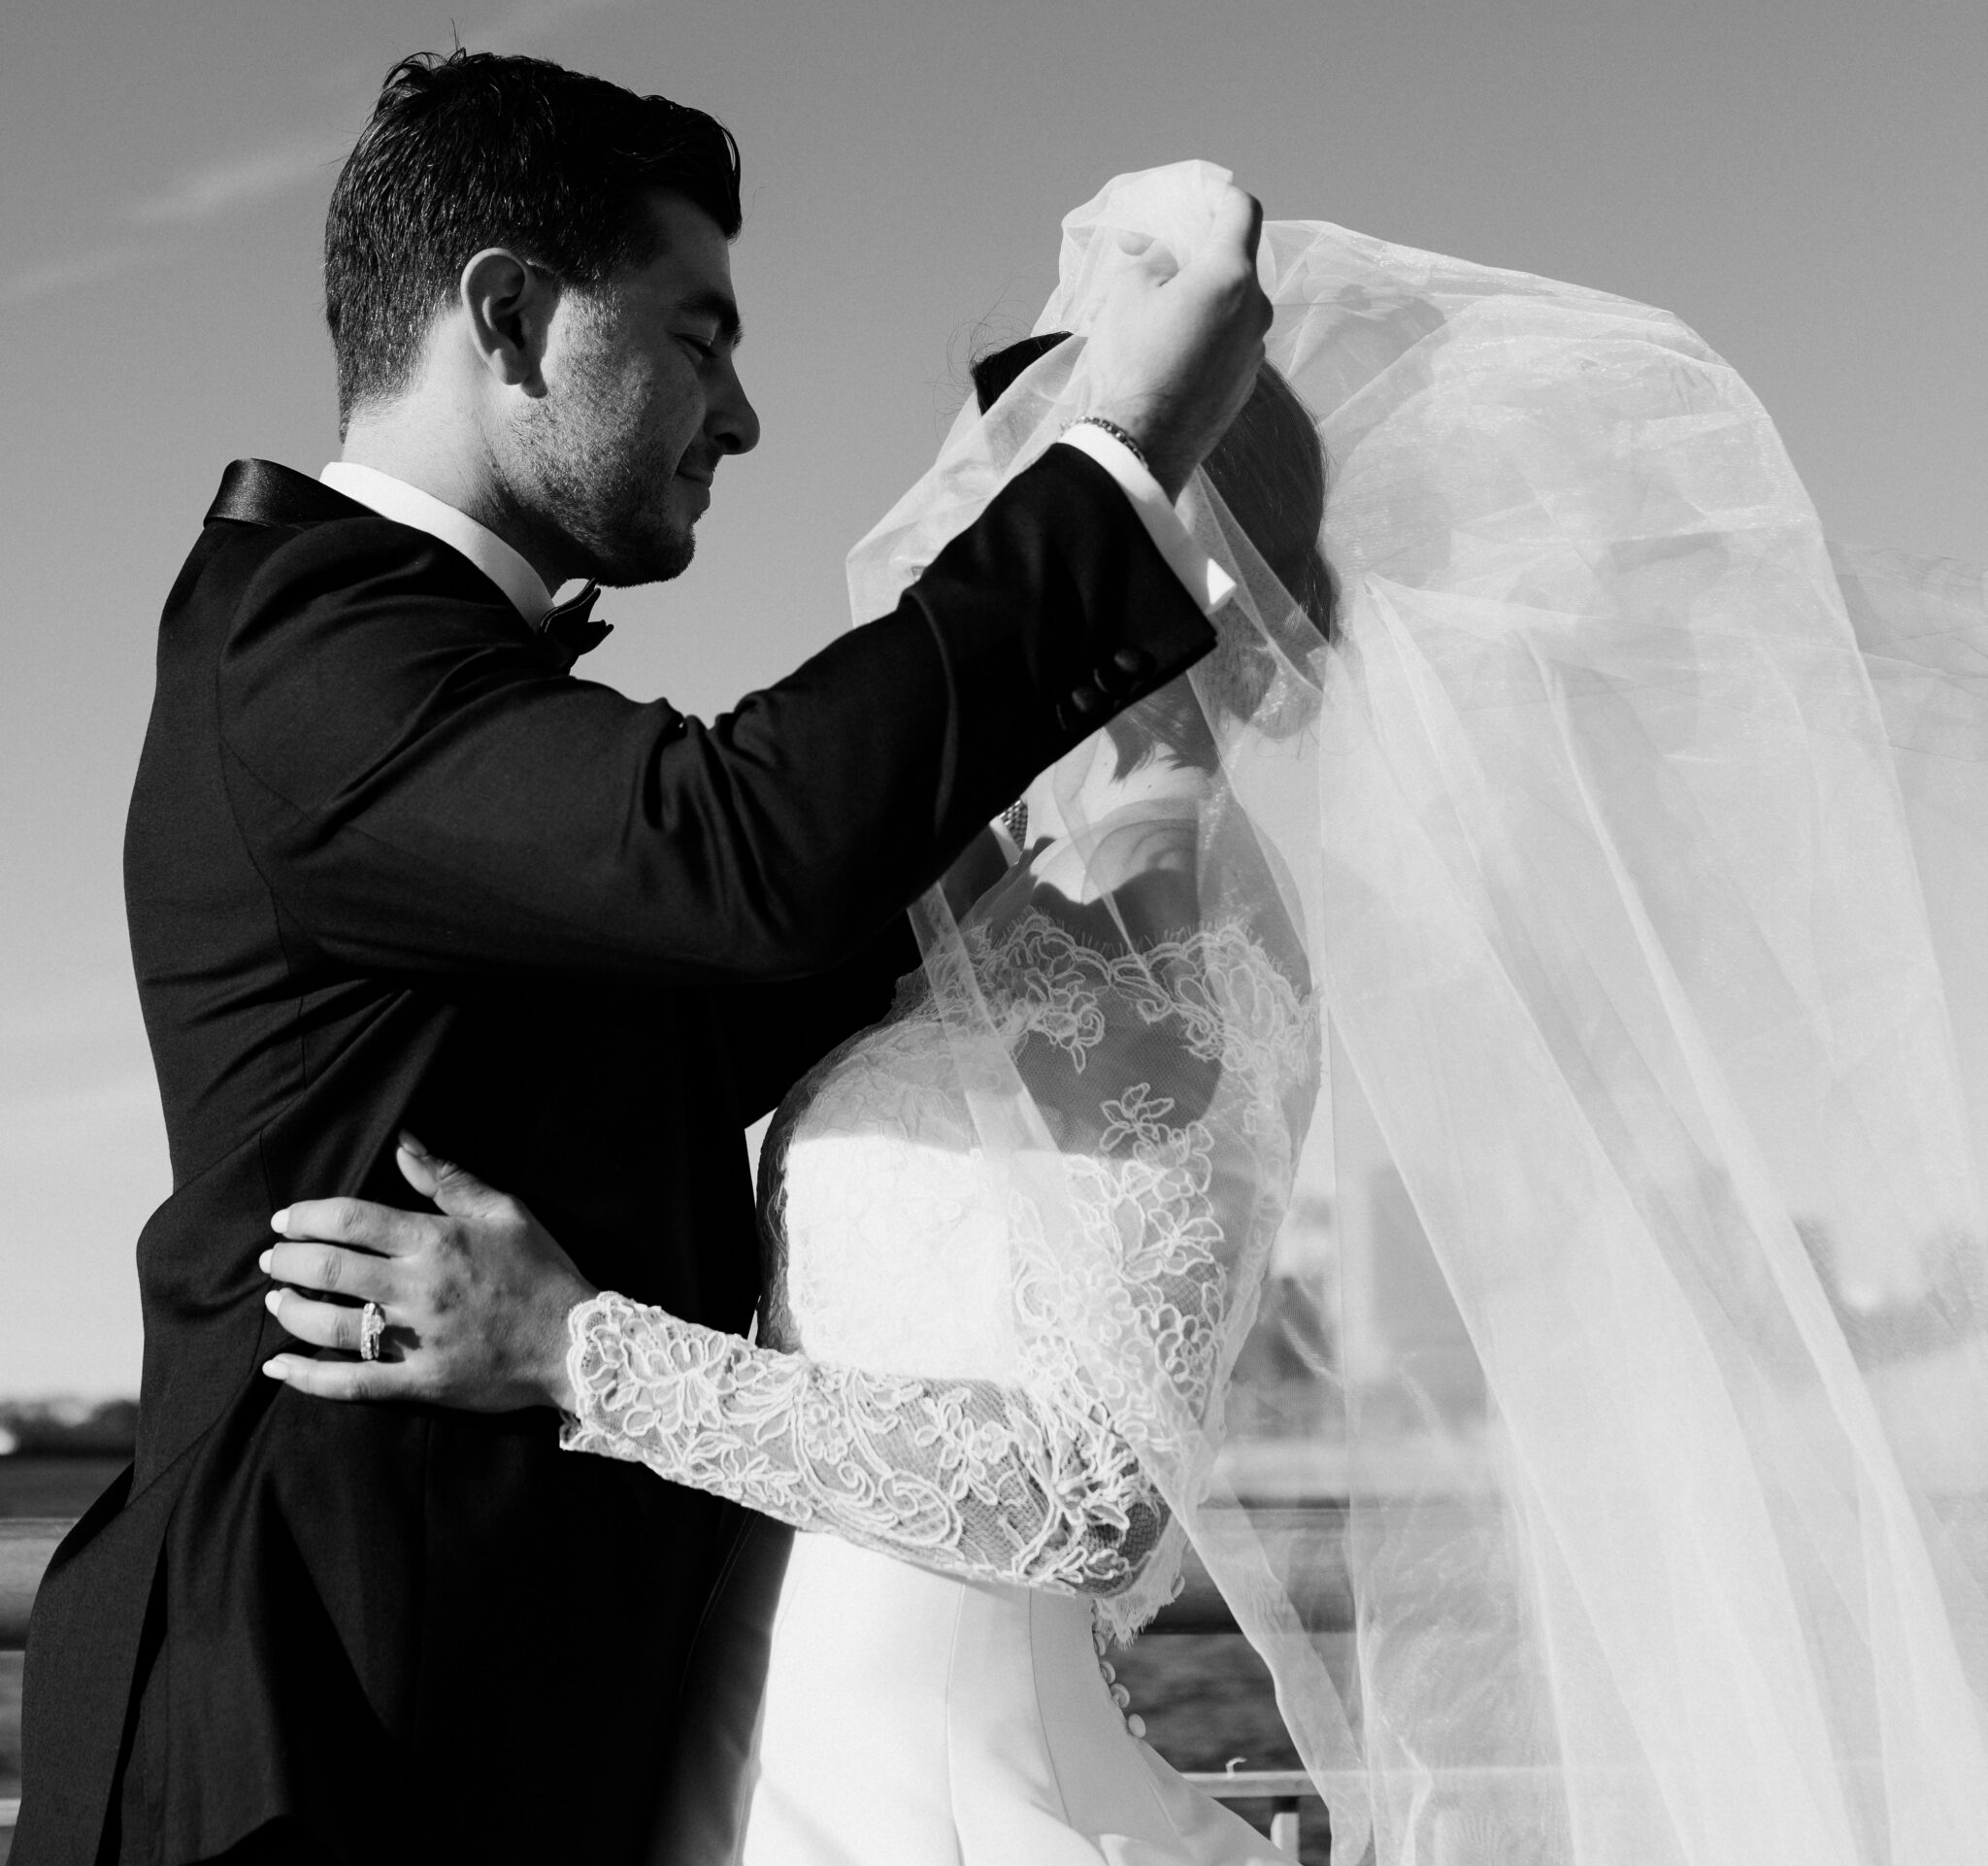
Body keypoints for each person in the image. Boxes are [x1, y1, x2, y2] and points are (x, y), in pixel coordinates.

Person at [259, 168, 1988, 1866]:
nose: (975, 545)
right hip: (756, 1752)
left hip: (927, 1793)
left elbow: (1094, 1496)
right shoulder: (988, 888)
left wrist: (581, 1352)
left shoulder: (1175, 909)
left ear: (1188, 563)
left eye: (1034, 498)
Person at [15, 67, 1272, 1866]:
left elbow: (752, 958)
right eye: (700, 337)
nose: (745, 417)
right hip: (323, 1740)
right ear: (511, 316)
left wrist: (1034, 867)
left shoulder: (450, 690)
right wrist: (1125, 455)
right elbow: (750, 854)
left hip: (566, 1730)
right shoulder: (309, 650)